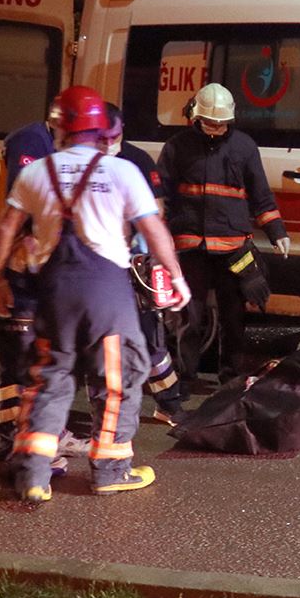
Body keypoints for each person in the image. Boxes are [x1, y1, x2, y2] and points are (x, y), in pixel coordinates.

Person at [0, 85, 190, 502]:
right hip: (106, 292)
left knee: (50, 380)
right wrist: (176, 276)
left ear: (58, 128)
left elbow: (5, 228)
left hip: (53, 291)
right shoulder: (122, 171)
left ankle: (33, 475)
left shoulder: (36, 171)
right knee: (117, 380)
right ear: (100, 130)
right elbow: (154, 230)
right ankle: (112, 469)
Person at [0, 101, 88, 477]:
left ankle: (46, 433)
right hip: (1, 257)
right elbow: (26, 206)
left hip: (19, 259)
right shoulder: (30, 143)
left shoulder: (48, 145)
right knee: (18, 353)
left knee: (36, 352)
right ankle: (13, 444)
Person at [158, 83, 291, 385]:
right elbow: (160, 196)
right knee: (187, 318)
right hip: (191, 247)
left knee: (233, 319)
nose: (216, 129)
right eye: (210, 123)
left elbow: (261, 195)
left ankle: (230, 377)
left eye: (220, 124)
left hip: (233, 249)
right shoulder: (177, 147)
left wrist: (277, 231)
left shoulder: (244, 147)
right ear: (196, 117)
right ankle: (183, 377)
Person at [100, 101, 188, 425]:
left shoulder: (135, 160)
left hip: (133, 262)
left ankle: (168, 402)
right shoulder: (81, 161)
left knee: (149, 334)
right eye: (102, 135)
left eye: (114, 135)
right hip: (97, 266)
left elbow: (156, 213)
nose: (109, 142)